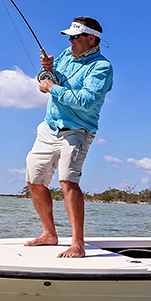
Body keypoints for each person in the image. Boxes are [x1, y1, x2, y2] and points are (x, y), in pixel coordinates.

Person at [24, 17, 113, 258]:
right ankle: (49, 234)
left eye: (75, 36)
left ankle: (77, 244)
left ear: (91, 39)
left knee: (67, 181)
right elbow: (46, 79)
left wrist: (51, 87)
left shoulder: (101, 68)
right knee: (34, 179)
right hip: (49, 127)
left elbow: (86, 102)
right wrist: (48, 70)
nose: (70, 41)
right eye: (69, 37)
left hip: (77, 130)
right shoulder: (65, 55)